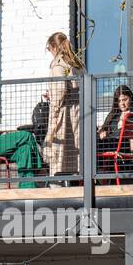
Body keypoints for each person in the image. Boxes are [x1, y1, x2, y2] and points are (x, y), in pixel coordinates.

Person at [44, 32, 83, 178]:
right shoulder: (75, 62)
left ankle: (59, 189)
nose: (49, 51)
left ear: (54, 47)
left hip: (64, 113)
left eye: (48, 48)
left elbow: (60, 89)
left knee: (59, 153)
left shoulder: (58, 64)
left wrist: (54, 111)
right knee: (76, 154)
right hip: (79, 112)